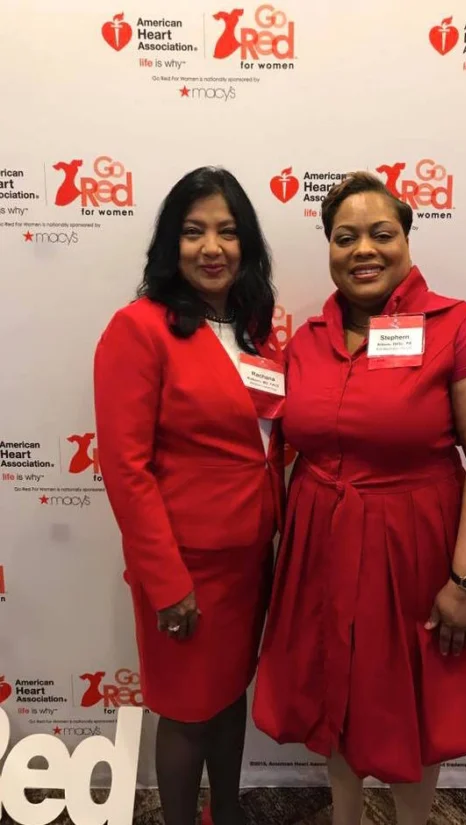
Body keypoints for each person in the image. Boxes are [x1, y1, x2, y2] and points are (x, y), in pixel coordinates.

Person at [253, 171, 466, 825]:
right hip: (321, 545)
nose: (362, 249)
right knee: (333, 689)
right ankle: (344, 816)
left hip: (416, 548)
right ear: (329, 248)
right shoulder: (307, 340)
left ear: (406, 240)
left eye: (380, 233)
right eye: (345, 237)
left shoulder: (459, 328)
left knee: (412, 702)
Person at [94, 167, 284, 825]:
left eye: (228, 232)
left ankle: (225, 812)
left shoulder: (256, 329)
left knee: (230, 699)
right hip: (186, 569)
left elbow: (265, 442)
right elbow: (125, 467)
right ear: (170, 244)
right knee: (184, 713)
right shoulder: (139, 328)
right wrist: (167, 580)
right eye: (194, 230)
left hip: (249, 563)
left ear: (246, 244)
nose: (213, 247)